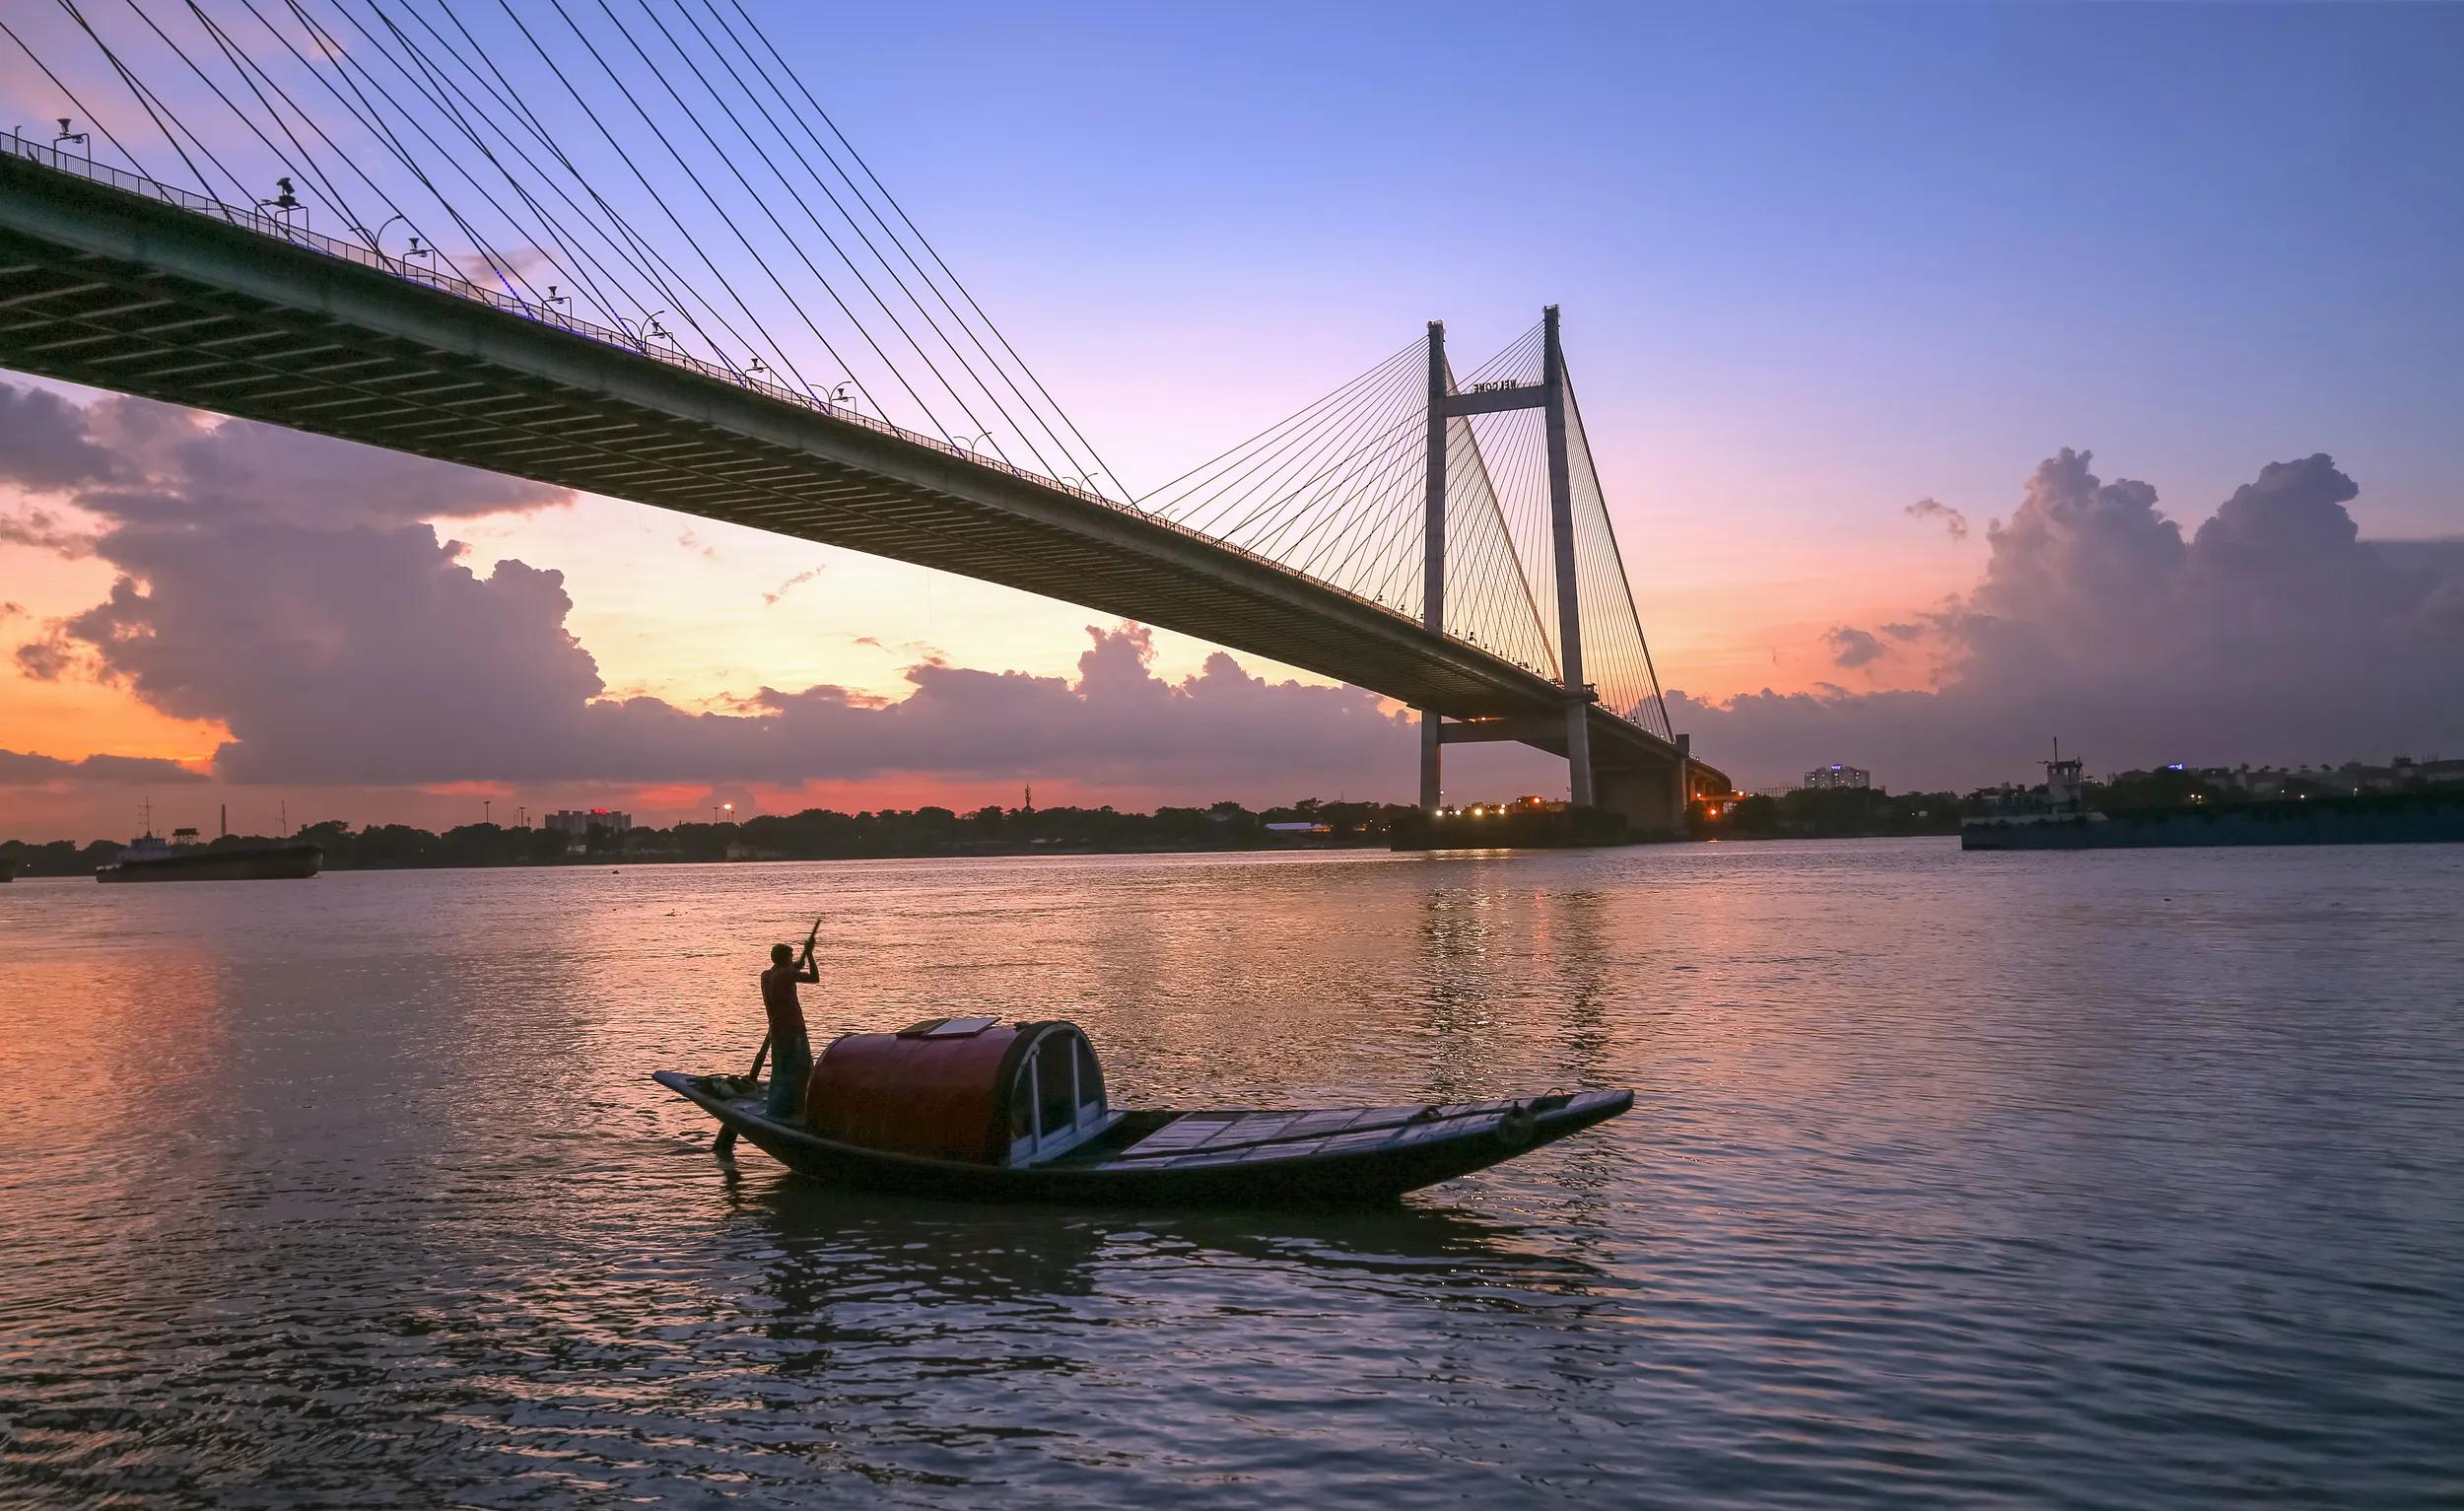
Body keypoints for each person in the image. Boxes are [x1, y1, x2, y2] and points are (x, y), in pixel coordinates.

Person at [759, 931, 820, 1121]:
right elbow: (814, 977)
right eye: (790, 956)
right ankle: (797, 1110)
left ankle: (779, 1109)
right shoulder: (786, 974)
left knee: (781, 1070)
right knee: (801, 1069)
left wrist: (804, 953)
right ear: (785, 959)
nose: (793, 959)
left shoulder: (767, 975)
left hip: (776, 1030)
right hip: (793, 1029)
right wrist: (810, 954)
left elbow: (797, 966)